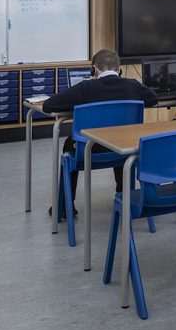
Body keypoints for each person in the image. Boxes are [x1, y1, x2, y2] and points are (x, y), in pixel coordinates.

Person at [41, 49, 158, 212]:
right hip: (123, 149)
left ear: (94, 70)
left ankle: (64, 206)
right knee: (119, 133)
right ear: (120, 70)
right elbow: (153, 99)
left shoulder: (85, 87)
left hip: (89, 151)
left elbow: (48, 105)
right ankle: (124, 194)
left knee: (70, 143)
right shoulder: (132, 85)